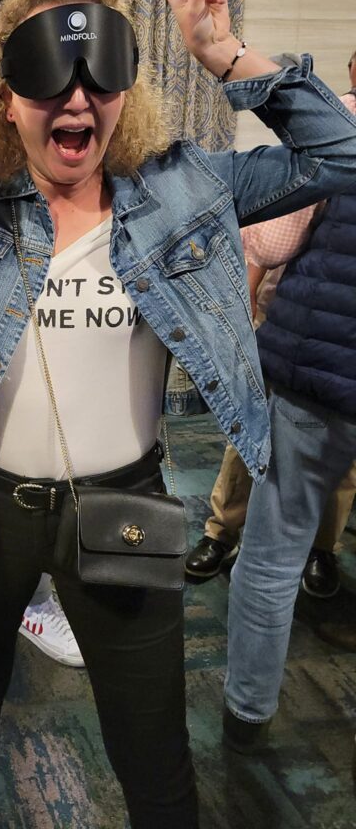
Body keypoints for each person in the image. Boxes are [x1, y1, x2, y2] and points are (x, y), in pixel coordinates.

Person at [0, 0, 356, 829]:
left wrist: (225, 53)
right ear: (5, 99)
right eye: (46, 77)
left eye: (98, 75)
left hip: (126, 501)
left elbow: (341, 156)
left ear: (124, 92)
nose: (75, 99)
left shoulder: (185, 186)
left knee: (151, 736)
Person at [224, 186, 356, 752]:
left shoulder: (338, 127)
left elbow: (274, 240)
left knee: (273, 553)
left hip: (321, 363)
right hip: (321, 362)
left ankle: (247, 714)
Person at [185, 206, 356, 598]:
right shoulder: (337, 156)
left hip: (346, 342)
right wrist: (243, 318)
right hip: (286, 320)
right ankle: (223, 531)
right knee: (252, 432)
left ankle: (322, 547)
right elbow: (269, 245)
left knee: (344, 452)